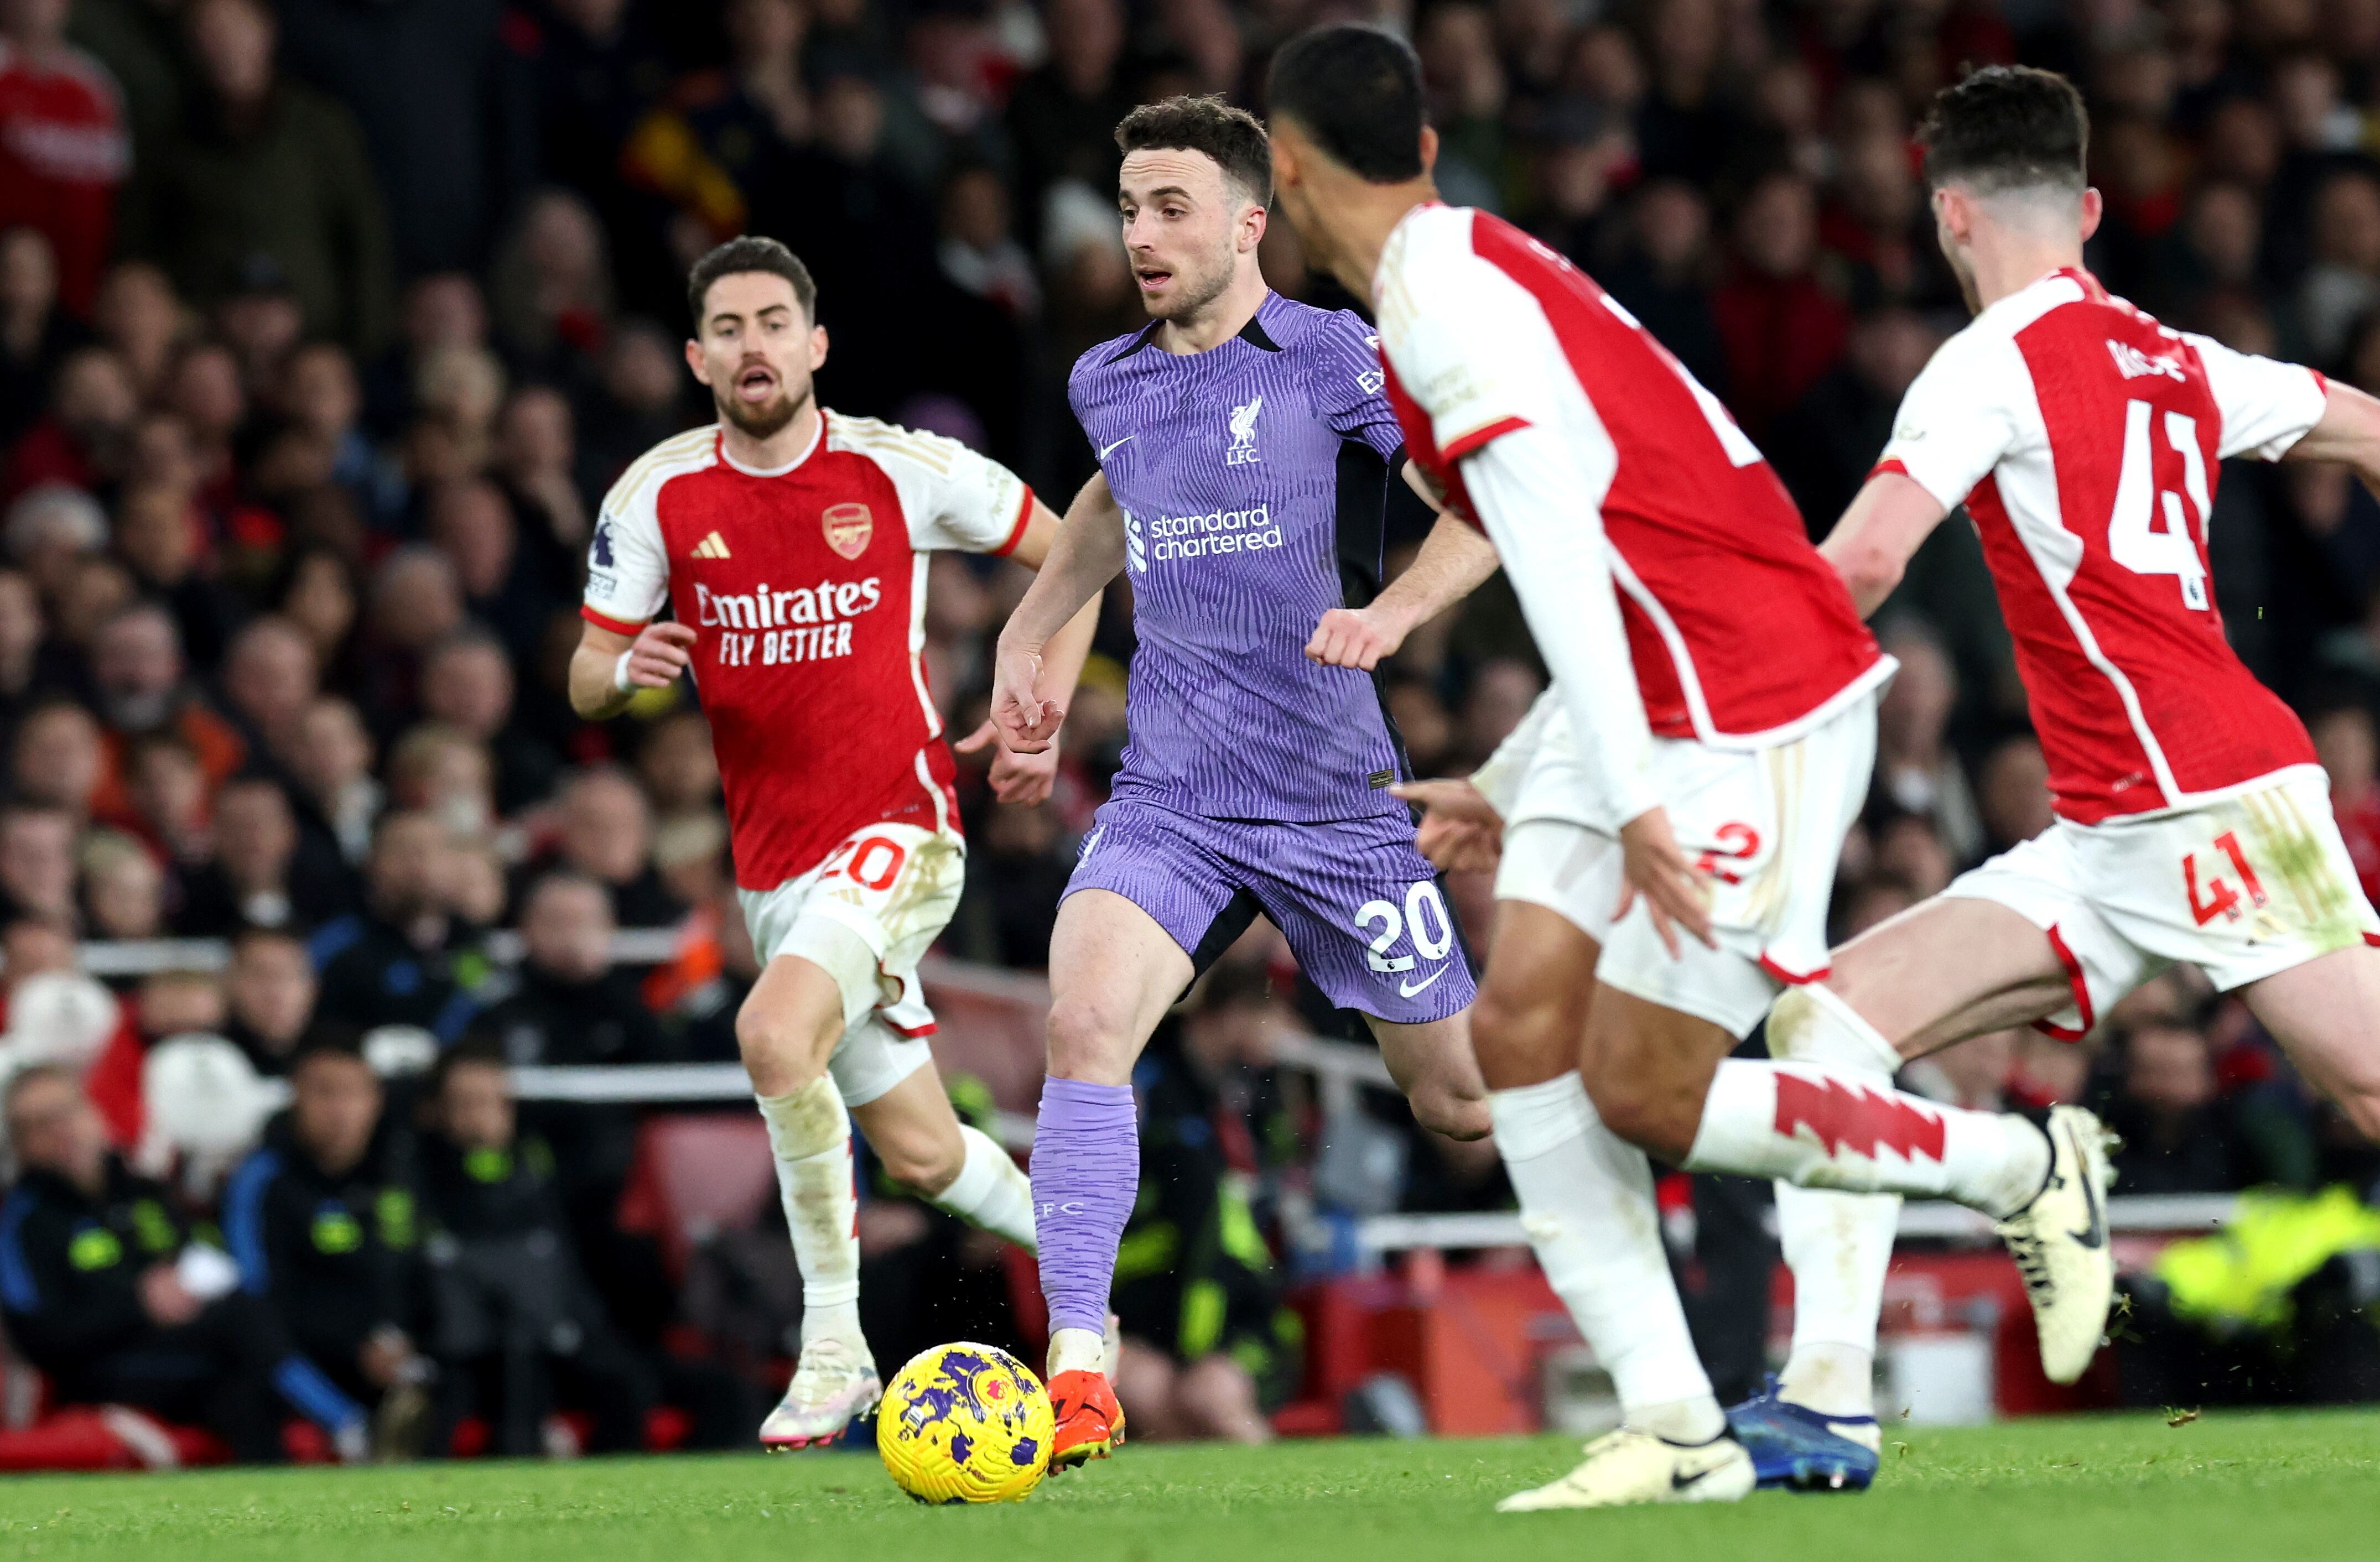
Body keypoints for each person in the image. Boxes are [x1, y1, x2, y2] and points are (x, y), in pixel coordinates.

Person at [1264, 26, 2113, 1509]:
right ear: (1418, 148)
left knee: (1647, 1093)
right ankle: (1674, 1432)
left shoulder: (1444, 306)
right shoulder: (1451, 271)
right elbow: (1601, 533)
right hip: (1652, 696)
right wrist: (1528, 775)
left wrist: (1617, 793)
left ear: (1275, 172)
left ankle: (2016, 1171)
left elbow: (1552, 555)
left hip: (1751, 704)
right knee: (1514, 1030)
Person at [1707, 63, 2380, 1491]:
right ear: (2078, 207)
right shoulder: (2175, 356)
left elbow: (1872, 559)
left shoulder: (1981, 361)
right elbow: (2368, 428)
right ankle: (1824, 1399)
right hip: (2100, 833)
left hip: (2210, 807)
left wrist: (1703, 679)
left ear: (1947, 215)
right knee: (1823, 1025)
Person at [986, 94, 1494, 1469]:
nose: (1139, 235)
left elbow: (1480, 505)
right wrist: (1024, 660)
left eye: (1170, 208)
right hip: (1172, 803)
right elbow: (1104, 525)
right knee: (1084, 1025)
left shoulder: (1334, 355)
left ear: (1247, 225)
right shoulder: (1110, 379)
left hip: (1343, 811)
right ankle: (1078, 1371)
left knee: (1461, 1105)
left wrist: (1389, 618)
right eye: (1127, 204)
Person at [565, 234, 1099, 1451]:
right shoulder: (657, 495)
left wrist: (1039, 709)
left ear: (815, 344)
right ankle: (1092, 1276)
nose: (754, 346)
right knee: (918, 1150)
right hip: (774, 872)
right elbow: (587, 671)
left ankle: (834, 1345)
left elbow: (1077, 546)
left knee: (767, 1030)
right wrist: (623, 670)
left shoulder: (898, 470)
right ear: (700, 359)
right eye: (730, 330)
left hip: (901, 829)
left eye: (774, 323)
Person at [0, 1063, 371, 1462]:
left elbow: (199, 1256)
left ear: (93, 1113)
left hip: (188, 1345)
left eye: (66, 1112)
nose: (60, 1130)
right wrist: (138, 1306)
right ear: (20, 1146)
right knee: (242, 1322)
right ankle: (348, 1423)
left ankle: (271, 1509)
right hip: (103, 1368)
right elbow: (39, 1337)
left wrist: (192, 1284)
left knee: (241, 1382)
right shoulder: (22, 1222)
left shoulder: (144, 1190)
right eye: (38, 1125)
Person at [219, 1042, 432, 1460]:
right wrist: (351, 1366)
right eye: (325, 1092)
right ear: (296, 1097)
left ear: (376, 1101)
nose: (340, 1110)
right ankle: (346, 1432)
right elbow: (258, 1294)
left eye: (354, 1093)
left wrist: (400, 1341)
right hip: (305, 1359)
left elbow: (424, 1274)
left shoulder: (401, 1173)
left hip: (391, 1357)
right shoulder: (263, 1180)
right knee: (243, 1344)